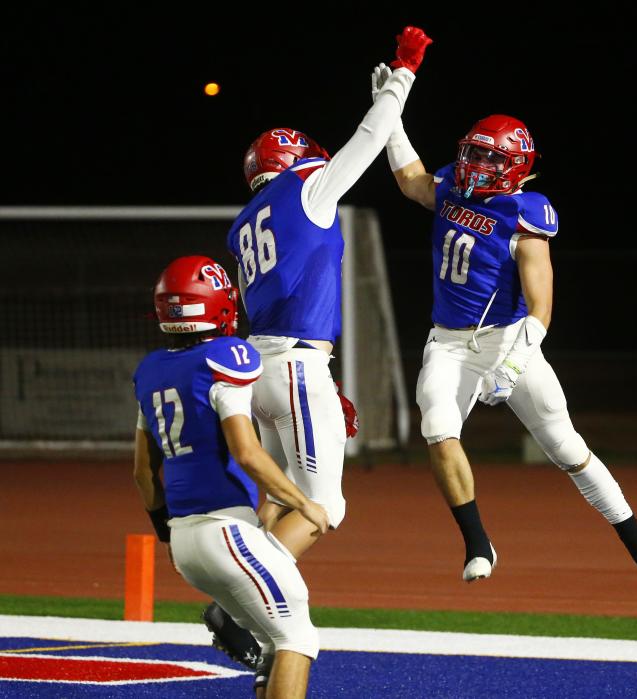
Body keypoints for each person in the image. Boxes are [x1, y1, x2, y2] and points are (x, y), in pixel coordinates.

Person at [372, 67, 637, 584]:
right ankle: (478, 543)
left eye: (493, 157)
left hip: (511, 340)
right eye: (476, 152)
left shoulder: (525, 213)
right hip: (448, 342)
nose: (479, 164)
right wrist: (390, 114)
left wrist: (512, 365)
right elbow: (409, 180)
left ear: (515, 167)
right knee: (436, 426)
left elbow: (541, 305)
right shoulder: (449, 188)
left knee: (566, 447)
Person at [204, 26, 433, 665]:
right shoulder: (306, 190)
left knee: (282, 497)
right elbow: (365, 141)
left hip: (263, 366)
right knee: (324, 503)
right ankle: (237, 605)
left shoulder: (245, 221)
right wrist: (404, 78)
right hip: (297, 364)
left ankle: (243, 607)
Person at [132, 255, 329, 699]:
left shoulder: (149, 371)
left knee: (271, 643)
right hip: (228, 530)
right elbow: (247, 451)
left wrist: (165, 530)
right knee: (298, 639)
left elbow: (142, 472)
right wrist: (302, 502)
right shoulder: (226, 356)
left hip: (185, 541)